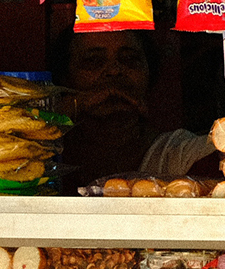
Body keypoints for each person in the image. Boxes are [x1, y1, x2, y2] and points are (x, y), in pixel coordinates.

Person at [53, 29, 216, 187]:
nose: (114, 71)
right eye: (93, 61)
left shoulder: (176, 156)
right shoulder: (40, 152)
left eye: (129, 59)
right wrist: (62, 112)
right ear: (65, 77)